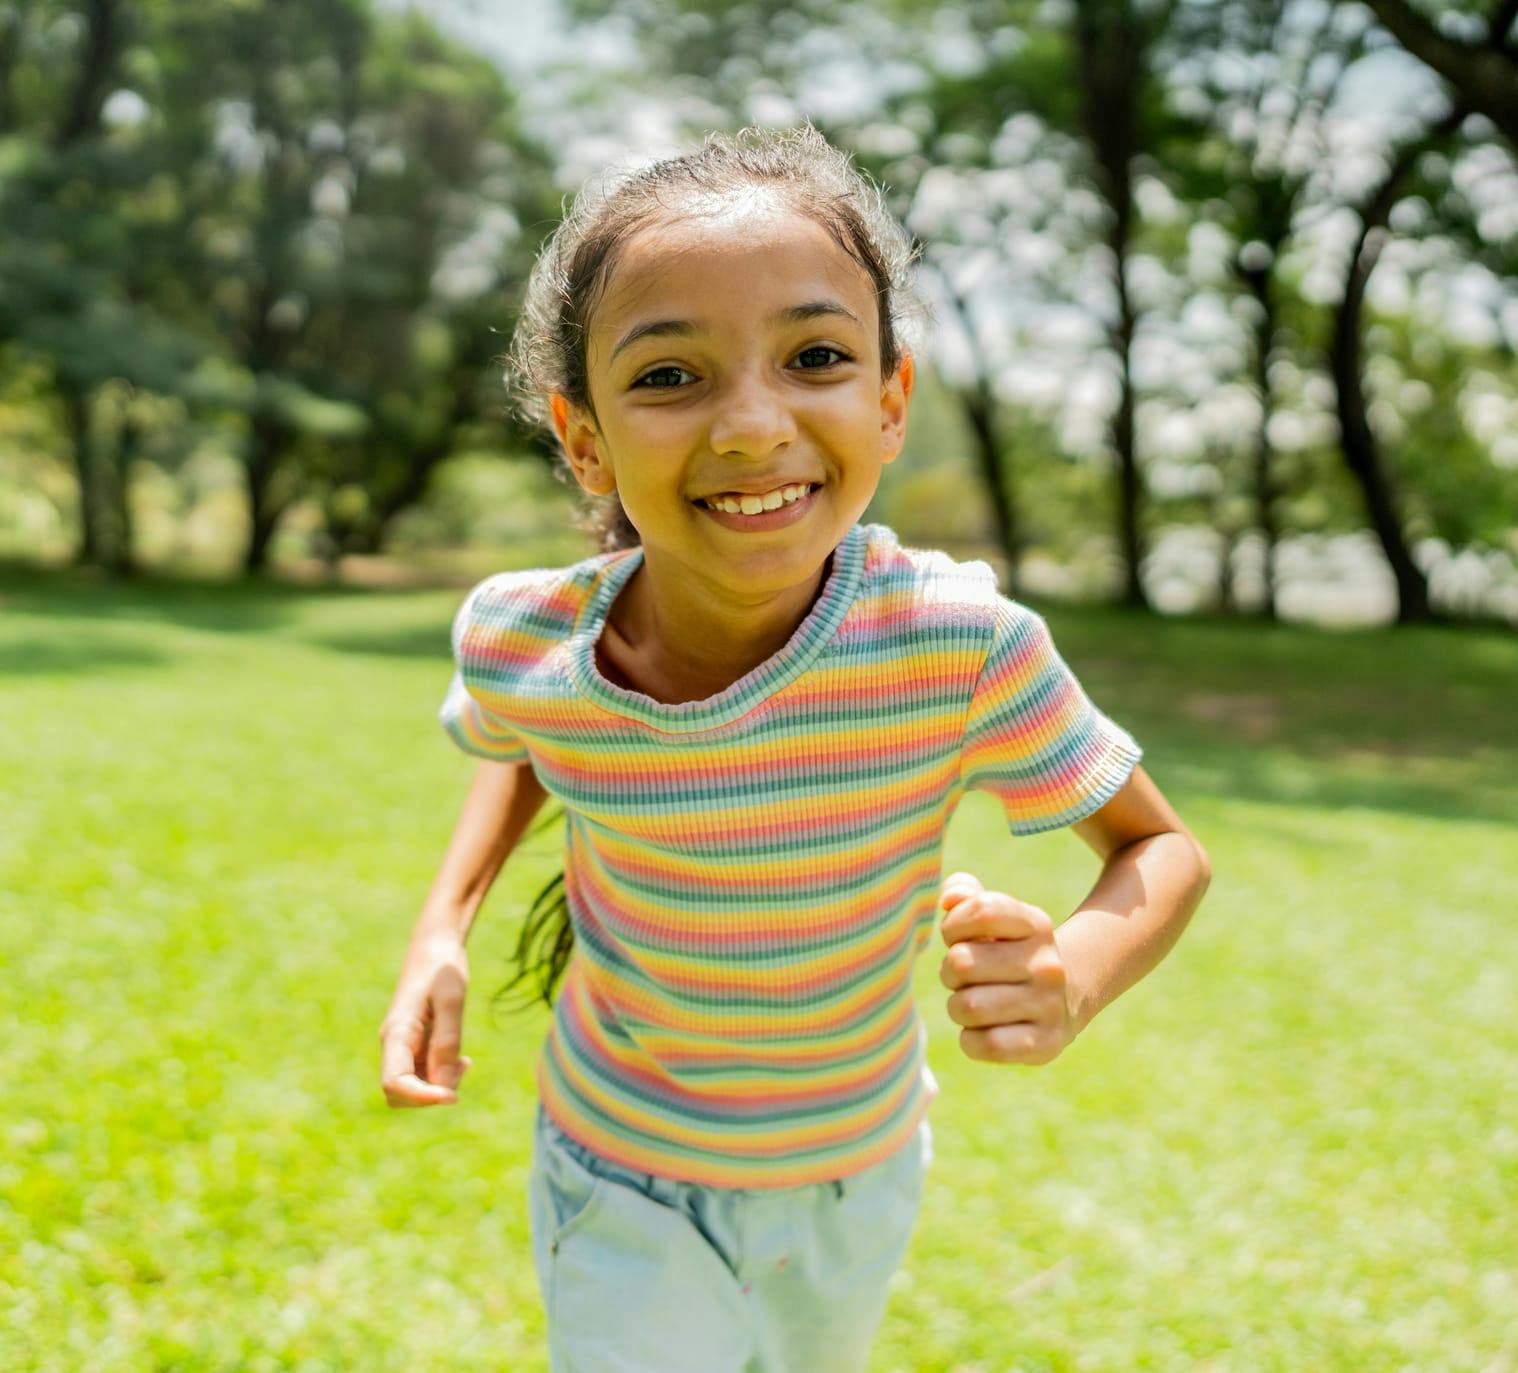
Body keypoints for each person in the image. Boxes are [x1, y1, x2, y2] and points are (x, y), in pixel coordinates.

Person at [379, 122, 1212, 1373]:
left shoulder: (956, 640)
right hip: (620, 1168)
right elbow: (528, 736)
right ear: (584, 434)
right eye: (669, 375)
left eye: (815, 356)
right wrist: (441, 928)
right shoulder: (521, 635)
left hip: (855, 1170)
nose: (753, 423)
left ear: (889, 401)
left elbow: (1160, 844)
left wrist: (1074, 972)